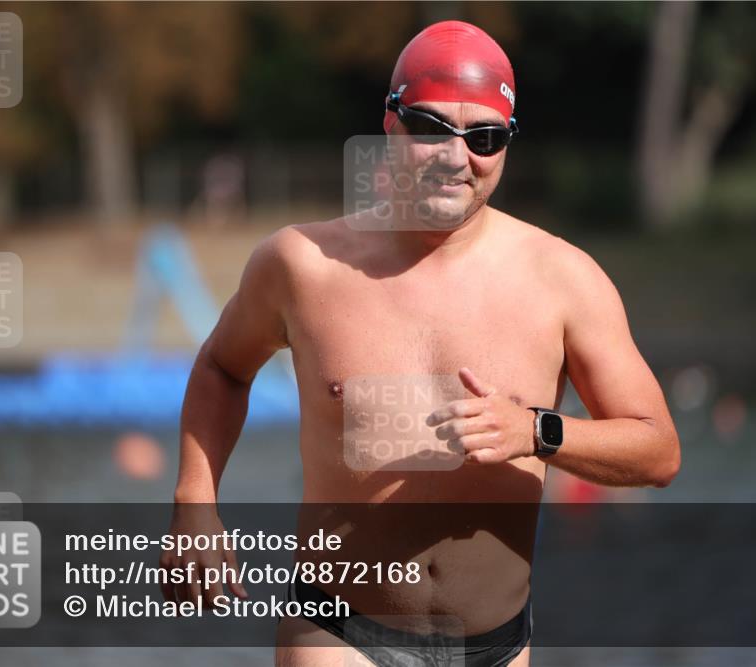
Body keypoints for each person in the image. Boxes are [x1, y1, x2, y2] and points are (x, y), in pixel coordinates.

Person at [161, 20, 680, 667]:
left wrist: (535, 430)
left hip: (493, 643)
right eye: (433, 128)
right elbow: (221, 366)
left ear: (507, 144)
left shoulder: (563, 279)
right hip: (337, 630)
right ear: (392, 123)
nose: (456, 157)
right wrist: (195, 504)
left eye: (485, 137)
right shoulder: (302, 265)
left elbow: (658, 449)